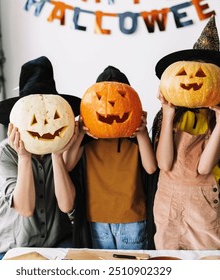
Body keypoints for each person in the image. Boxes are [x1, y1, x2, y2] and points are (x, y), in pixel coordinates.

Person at [151, 16, 220, 256]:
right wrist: (168, 112)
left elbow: (205, 168)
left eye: (205, 75)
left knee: (208, 260)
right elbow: (163, 163)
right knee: (169, 258)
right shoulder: (167, 116)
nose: (193, 80)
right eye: (186, 72)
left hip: (203, 203)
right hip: (167, 201)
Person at [0, 56, 81, 260]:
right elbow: (25, 208)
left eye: (54, 116)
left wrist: (57, 153)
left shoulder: (68, 147)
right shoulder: (5, 153)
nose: (45, 125)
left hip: (57, 240)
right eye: (34, 118)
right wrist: (24, 156)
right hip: (12, 243)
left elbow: (67, 205)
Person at [65, 66, 157, 250]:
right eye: (99, 99)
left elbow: (151, 168)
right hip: (97, 221)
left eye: (122, 98)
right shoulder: (87, 140)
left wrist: (141, 132)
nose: (111, 106)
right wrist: (81, 133)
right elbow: (67, 165)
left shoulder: (135, 139)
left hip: (133, 220)